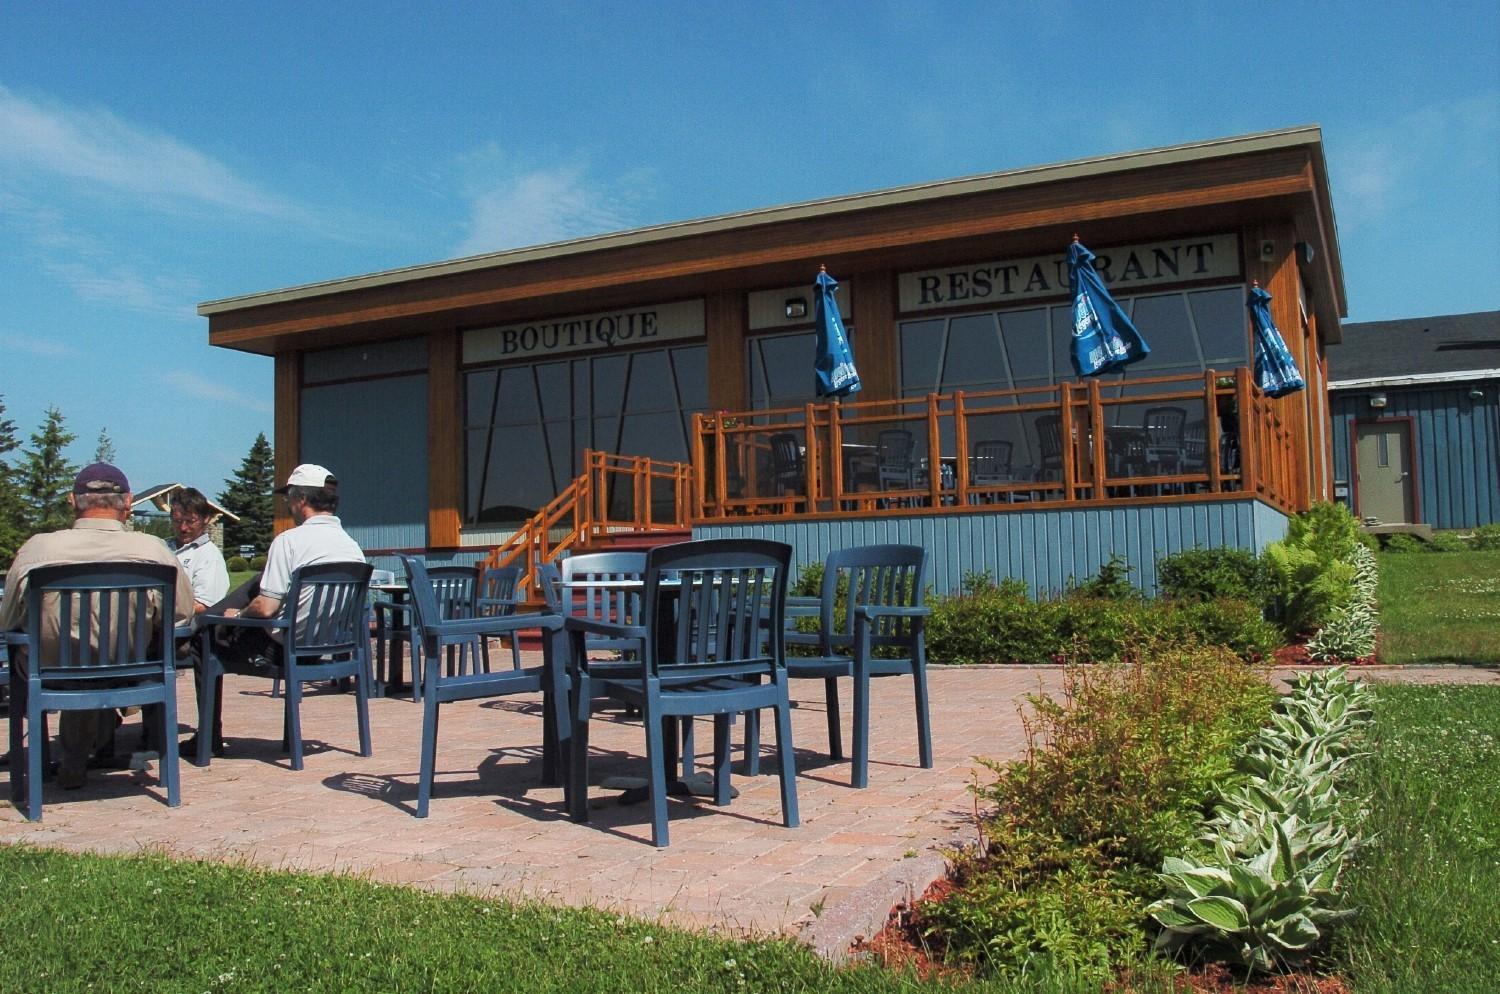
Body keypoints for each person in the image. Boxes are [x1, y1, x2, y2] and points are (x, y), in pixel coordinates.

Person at [0, 463, 194, 788]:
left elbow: (7, 621)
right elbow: (182, 616)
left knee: (60, 650)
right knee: (107, 649)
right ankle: (85, 755)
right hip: (127, 669)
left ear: (72, 501)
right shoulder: (154, 551)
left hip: (51, 672)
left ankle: (70, 762)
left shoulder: (38, 549)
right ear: (129, 501)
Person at [187, 463, 364, 755]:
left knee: (202, 640)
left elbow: (267, 608)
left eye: (289, 497)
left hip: (280, 647)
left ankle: (207, 739)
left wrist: (239, 616)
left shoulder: (289, 541)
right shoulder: (352, 547)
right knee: (257, 584)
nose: (288, 504)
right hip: (323, 646)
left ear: (301, 499)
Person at [170, 487, 230, 617]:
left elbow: (203, 605)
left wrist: (159, 611)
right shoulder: (162, 547)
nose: (183, 528)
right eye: (178, 521)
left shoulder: (209, 556)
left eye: (191, 521)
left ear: (206, 518)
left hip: (185, 631)